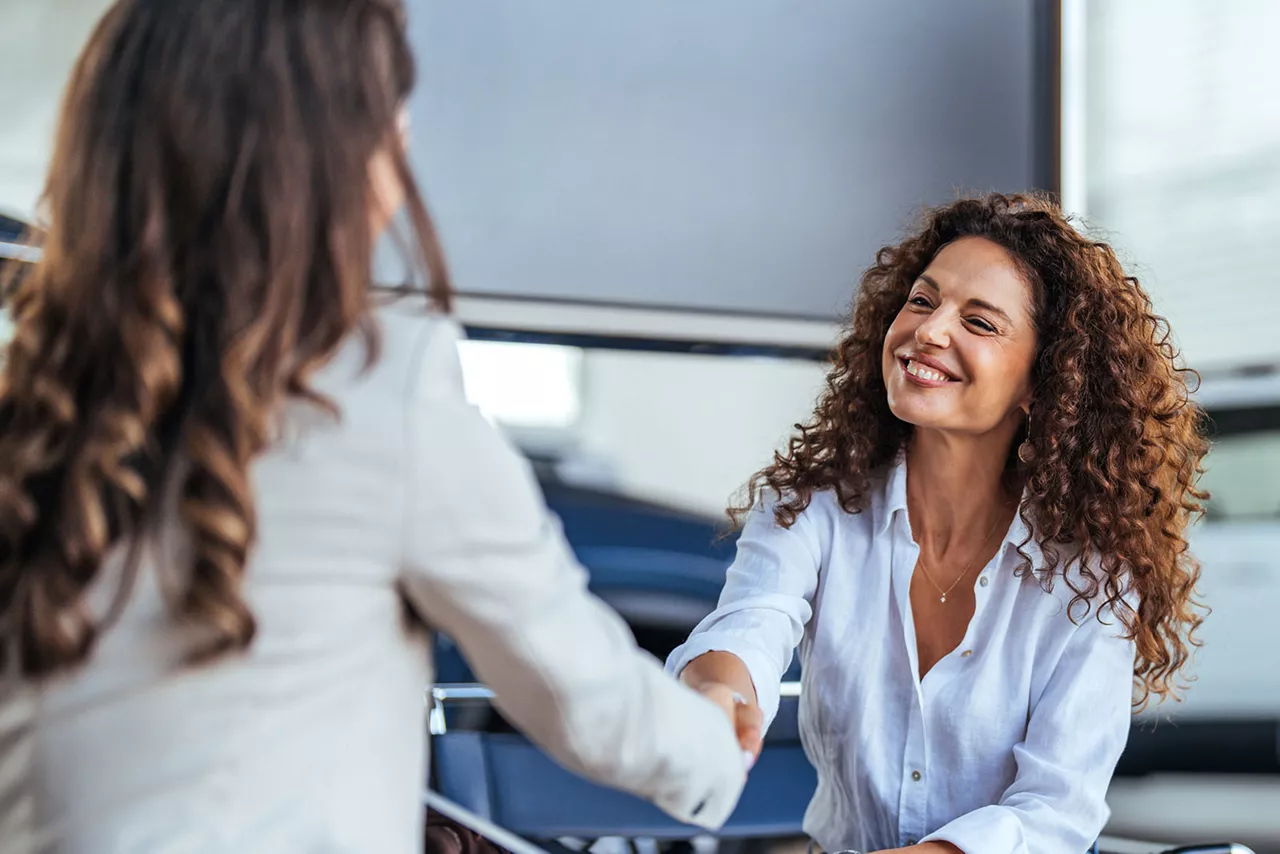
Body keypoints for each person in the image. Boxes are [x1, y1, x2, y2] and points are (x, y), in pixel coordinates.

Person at [0, 1, 754, 851]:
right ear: (326, 155)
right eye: (388, 115)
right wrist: (714, 739)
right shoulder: (372, 388)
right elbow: (583, 695)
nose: (401, 151)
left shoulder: (36, 399)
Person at [668, 193, 1209, 854]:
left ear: (1045, 380)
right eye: (923, 301)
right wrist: (719, 692)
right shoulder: (812, 505)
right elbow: (749, 626)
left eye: (979, 323)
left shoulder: (1090, 572)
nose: (928, 330)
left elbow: (1054, 811)